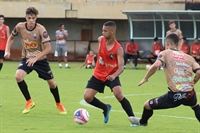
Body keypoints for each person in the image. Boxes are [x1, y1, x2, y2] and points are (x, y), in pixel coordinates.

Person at [4, 7, 67, 114]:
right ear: (26, 18)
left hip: (41, 60)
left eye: (33, 18)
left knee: (52, 84)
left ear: (36, 18)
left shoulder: (41, 29)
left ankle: (58, 103)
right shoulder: (19, 26)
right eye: (29, 18)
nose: (31, 20)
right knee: (18, 76)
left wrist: (35, 58)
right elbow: (11, 37)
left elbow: (48, 48)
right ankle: (29, 101)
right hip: (26, 59)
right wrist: (7, 50)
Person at [129, 33, 200, 126]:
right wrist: (193, 83)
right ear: (178, 43)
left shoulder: (165, 53)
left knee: (147, 105)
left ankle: (143, 122)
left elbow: (156, 65)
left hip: (175, 95)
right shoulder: (189, 57)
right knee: (195, 106)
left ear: (167, 43)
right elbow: (198, 72)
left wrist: (145, 78)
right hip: (190, 93)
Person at [84, 21, 136, 124]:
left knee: (119, 94)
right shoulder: (100, 40)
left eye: (105, 31)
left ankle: (133, 119)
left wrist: (113, 75)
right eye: (102, 30)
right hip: (98, 74)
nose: (102, 33)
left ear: (112, 32)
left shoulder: (118, 49)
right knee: (87, 97)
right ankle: (105, 108)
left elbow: (121, 67)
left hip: (112, 74)